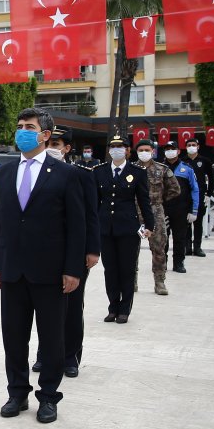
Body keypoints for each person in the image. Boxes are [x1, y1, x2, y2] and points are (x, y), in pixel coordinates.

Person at [0, 107, 86, 424]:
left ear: (45, 135)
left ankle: (48, 397)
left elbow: (77, 226)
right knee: (14, 338)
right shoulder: (4, 173)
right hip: (12, 271)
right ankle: (17, 393)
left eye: (29, 127)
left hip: (50, 272)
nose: (22, 132)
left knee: (52, 339)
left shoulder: (66, 175)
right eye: (19, 126)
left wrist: (73, 269)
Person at [32, 126, 100, 378]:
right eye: (49, 144)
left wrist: (92, 250)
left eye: (57, 145)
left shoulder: (81, 175)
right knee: (44, 307)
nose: (52, 149)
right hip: (44, 252)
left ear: (67, 149)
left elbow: (91, 215)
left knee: (71, 307)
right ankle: (44, 354)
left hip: (74, 252)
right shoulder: (35, 173)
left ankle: (70, 356)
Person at [93, 136, 154, 324]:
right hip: (105, 228)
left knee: (127, 270)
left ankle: (124, 309)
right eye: (113, 146)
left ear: (127, 150)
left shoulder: (137, 172)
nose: (116, 149)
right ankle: (113, 307)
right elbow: (95, 201)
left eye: (120, 146)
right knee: (110, 270)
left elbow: (144, 201)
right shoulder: (99, 171)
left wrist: (150, 225)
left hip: (128, 227)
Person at [135, 139, 180, 296]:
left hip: (155, 211)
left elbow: (175, 189)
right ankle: (132, 280)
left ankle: (159, 281)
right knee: (131, 248)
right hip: (135, 212)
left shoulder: (162, 169)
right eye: (141, 150)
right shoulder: (131, 169)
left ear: (152, 151)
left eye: (147, 150)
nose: (144, 153)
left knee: (159, 247)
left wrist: (159, 200)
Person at [162, 142, 199, 274]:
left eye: (173, 149)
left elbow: (195, 189)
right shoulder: (160, 168)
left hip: (181, 209)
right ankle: (162, 263)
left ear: (178, 151)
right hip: (164, 208)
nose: (170, 151)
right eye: (167, 149)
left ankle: (178, 263)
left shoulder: (187, 169)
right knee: (163, 238)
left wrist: (194, 210)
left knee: (180, 238)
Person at [181, 137, 213, 256]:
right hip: (185, 197)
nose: (191, 147)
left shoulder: (205, 161)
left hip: (200, 196)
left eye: (193, 144)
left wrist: (209, 194)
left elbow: (211, 178)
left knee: (198, 222)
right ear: (186, 147)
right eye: (189, 145)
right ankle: (187, 247)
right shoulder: (182, 161)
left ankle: (198, 247)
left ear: (198, 146)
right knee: (186, 223)